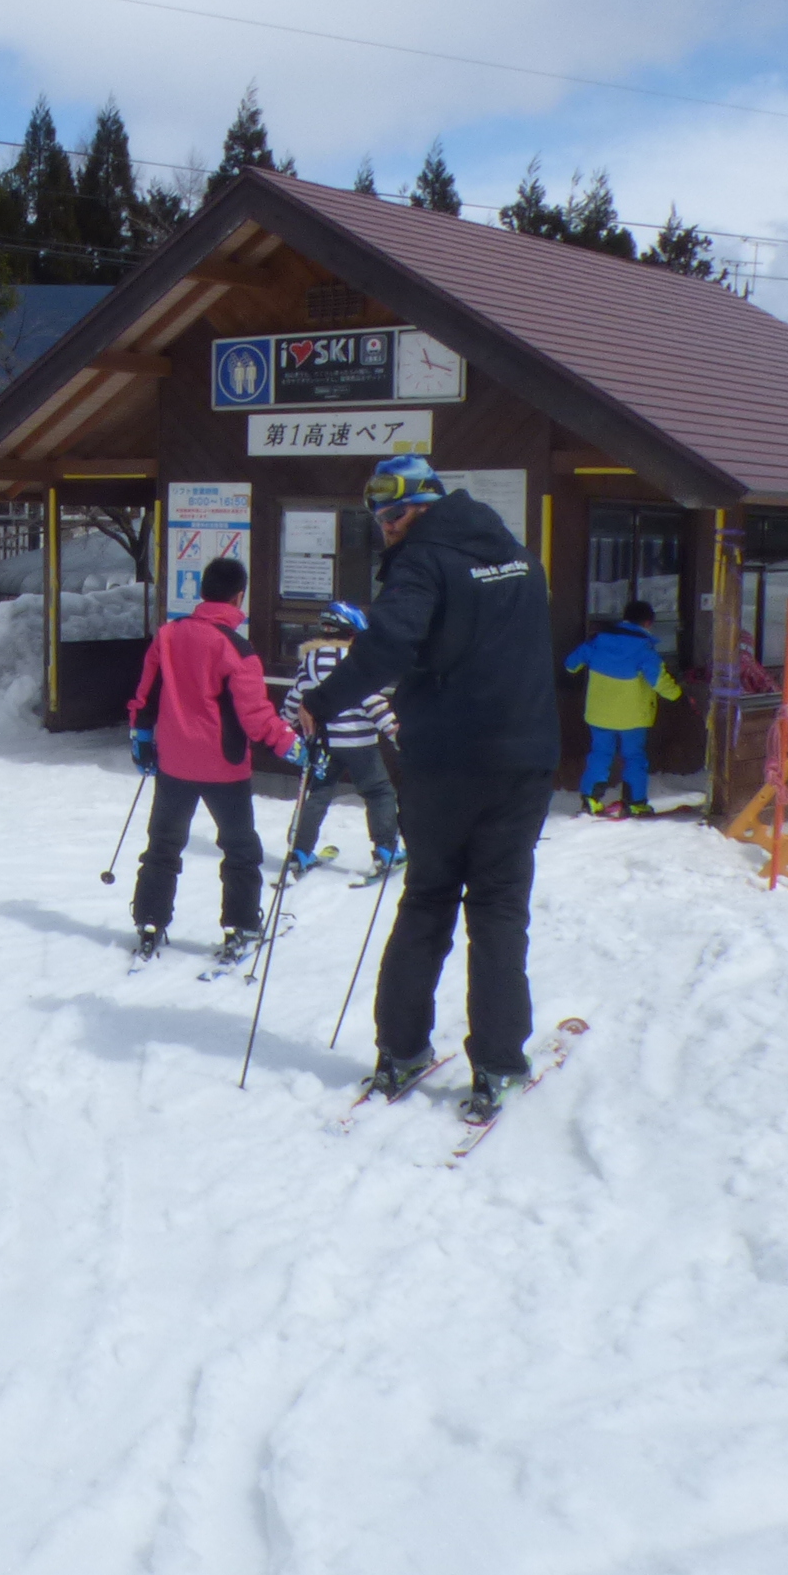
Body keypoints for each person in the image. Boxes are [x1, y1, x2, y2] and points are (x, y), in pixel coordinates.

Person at [293, 455, 557, 1119]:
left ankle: (403, 1048)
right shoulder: (521, 558)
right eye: (376, 513)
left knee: (429, 899)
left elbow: (387, 648)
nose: (384, 525)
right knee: (499, 907)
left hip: (446, 762)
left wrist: (322, 702)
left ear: (425, 504)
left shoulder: (422, 560)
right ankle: (499, 1061)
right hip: (523, 757)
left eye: (393, 509)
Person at [125, 555, 304, 968]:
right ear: (238, 597)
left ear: (202, 592)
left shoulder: (168, 635)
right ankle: (239, 925)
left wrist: (142, 737)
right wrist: (290, 746)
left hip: (173, 764)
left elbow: (146, 695)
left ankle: (149, 921)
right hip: (225, 768)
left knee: (163, 845)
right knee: (240, 849)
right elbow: (256, 718)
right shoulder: (238, 650)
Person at [286, 602, 402, 879]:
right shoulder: (355, 662)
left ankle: (300, 852)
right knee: (377, 792)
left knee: (318, 795)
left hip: (324, 743)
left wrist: (282, 729)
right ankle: (385, 850)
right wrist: (394, 730)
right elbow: (372, 701)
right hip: (360, 743)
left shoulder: (310, 663)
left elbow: (294, 701)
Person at [563, 598, 683, 816]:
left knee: (600, 753)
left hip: (599, 713)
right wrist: (678, 695)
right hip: (633, 717)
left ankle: (590, 798)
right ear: (647, 623)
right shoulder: (645, 650)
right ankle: (635, 802)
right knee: (634, 757)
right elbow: (659, 682)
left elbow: (571, 664)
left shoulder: (598, 641)